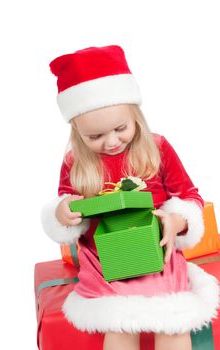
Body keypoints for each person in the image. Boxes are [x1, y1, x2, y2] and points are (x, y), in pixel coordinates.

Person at [41, 45, 219, 350]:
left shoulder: (157, 147)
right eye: (94, 137)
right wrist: (63, 213)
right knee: (120, 326)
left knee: (174, 323)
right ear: (76, 131)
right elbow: (65, 202)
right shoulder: (75, 161)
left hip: (158, 257)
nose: (111, 142)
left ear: (135, 114)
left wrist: (178, 221)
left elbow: (189, 195)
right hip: (104, 264)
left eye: (120, 128)